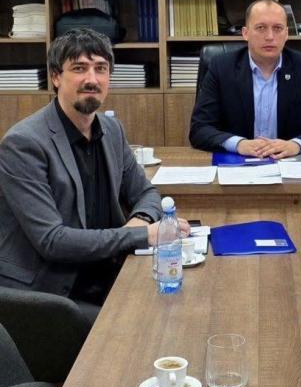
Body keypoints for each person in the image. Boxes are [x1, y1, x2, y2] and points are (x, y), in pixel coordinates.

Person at [0, 28, 187, 324]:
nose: (92, 79)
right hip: (51, 294)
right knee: (142, 326)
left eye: (101, 68)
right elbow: (52, 240)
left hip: (106, 273)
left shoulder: (111, 130)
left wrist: (142, 219)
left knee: (181, 307)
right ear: (56, 77)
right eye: (79, 68)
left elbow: (146, 192)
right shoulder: (24, 143)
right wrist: (140, 235)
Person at [189, 0, 301, 158]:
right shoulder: (221, 67)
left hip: (288, 163)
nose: (269, 36)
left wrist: (295, 145)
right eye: (261, 28)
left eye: (277, 28)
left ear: (286, 34)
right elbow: (200, 129)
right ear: (245, 33)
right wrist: (239, 144)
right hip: (237, 163)